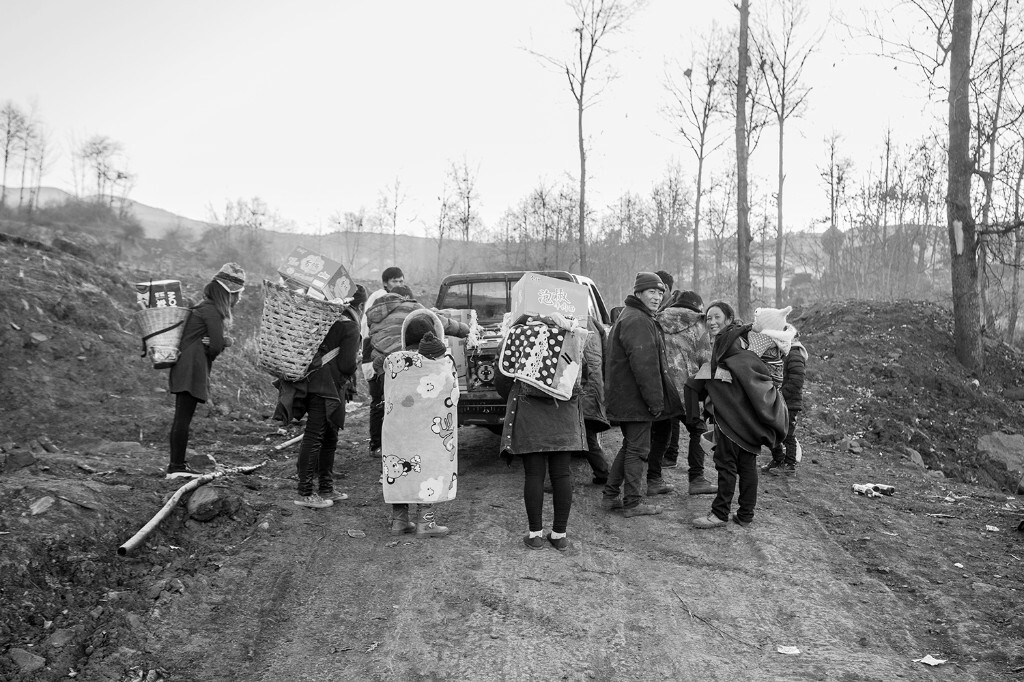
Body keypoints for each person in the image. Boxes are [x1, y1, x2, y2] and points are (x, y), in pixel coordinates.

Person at [686, 301, 788, 529]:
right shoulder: (741, 340)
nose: (711, 322)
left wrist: (705, 376)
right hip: (750, 416)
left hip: (733, 415)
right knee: (747, 465)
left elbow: (740, 369)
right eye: (708, 318)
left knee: (726, 465)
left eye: (716, 317)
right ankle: (745, 515)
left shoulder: (730, 342)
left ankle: (719, 514)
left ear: (729, 319)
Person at [496, 314, 588, 550]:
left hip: (529, 414)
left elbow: (502, 381)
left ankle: (535, 534)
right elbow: (583, 378)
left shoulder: (518, 334)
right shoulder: (574, 335)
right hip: (564, 415)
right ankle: (559, 535)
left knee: (534, 475)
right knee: (562, 475)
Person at [274, 286, 365, 509]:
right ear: (360, 307)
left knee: (327, 437)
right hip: (327, 388)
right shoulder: (351, 326)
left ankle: (326, 488)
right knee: (316, 437)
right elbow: (346, 365)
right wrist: (357, 360)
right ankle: (305, 493)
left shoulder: (324, 320)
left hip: (314, 384)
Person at [602, 272, 683, 517]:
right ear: (638, 293)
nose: (658, 297)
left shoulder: (634, 315)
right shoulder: (638, 320)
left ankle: (610, 495)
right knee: (638, 450)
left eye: (660, 292)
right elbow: (645, 366)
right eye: (652, 292)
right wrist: (656, 402)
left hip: (625, 396)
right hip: (633, 399)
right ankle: (633, 502)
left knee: (630, 447)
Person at [365, 285, 470, 460]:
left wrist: (380, 366)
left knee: (393, 411)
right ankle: (423, 456)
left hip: (388, 367)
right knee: (422, 411)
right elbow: (439, 321)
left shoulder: (374, 314)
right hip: (411, 364)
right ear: (404, 297)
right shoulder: (411, 308)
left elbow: (373, 345)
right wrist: (465, 330)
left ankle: (389, 453)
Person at [382, 310, 459, 537]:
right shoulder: (442, 363)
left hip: (396, 430)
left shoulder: (392, 361)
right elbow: (453, 396)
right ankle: (426, 523)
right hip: (428, 432)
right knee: (428, 468)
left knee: (400, 470)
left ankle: (399, 521)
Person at [166, 263, 245, 478]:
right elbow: (216, 345)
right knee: (183, 418)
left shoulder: (204, 306)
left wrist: (217, 341)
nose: (237, 300)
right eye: (236, 295)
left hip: (184, 366)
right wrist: (214, 346)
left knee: (181, 417)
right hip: (192, 368)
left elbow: (216, 340)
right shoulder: (212, 311)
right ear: (228, 293)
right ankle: (176, 467)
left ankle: (177, 464)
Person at [650, 289, 716, 495]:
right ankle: (696, 479)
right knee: (698, 431)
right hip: (688, 391)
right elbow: (706, 361)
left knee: (661, 433)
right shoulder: (699, 325)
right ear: (697, 307)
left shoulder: (657, 321)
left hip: (662, 389)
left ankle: (653, 479)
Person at [361, 266, 405, 457]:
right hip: (374, 353)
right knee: (379, 401)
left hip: (385, 355)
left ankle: (388, 443)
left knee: (391, 401)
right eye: (395, 281)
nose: (399, 284)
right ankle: (376, 445)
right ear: (386, 282)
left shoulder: (396, 300)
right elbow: (367, 327)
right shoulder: (379, 299)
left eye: (401, 281)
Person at [763, 327, 807, 476]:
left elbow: (796, 381)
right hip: (780, 400)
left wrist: (780, 395)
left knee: (788, 433)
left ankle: (789, 465)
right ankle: (778, 459)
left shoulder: (795, 355)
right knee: (772, 430)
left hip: (790, 402)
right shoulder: (785, 353)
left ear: (794, 338)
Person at [580, 313, 611, 484]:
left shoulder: (552, 320)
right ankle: (603, 473)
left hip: (578, 387)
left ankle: (555, 480)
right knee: (587, 432)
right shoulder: (593, 322)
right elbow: (606, 358)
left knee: (581, 433)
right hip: (593, 386)